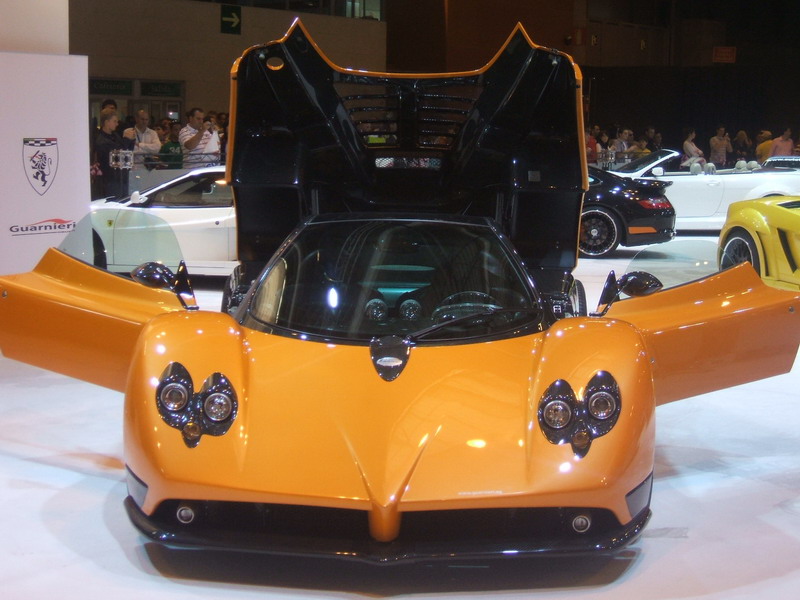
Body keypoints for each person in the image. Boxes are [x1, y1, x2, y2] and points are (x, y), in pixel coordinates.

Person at [93, 108, 135, 199]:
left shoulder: (115, 136)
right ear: (107, 122)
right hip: (110, 180)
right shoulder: (101, 140)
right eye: (114, 121)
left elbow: (126, 151)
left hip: (121, 177)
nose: (117, 124)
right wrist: (127, 140)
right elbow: (116, 153)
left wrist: (131, 140)